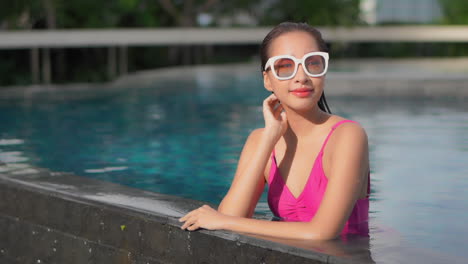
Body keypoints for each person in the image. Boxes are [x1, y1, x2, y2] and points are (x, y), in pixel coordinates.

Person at [179, 22, 370, 240]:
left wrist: (225, 221)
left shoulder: (348, 136)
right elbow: (230, 216)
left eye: (312, 63)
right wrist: (269, 139)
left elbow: (322, 232)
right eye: (285, 66)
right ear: (267, 79)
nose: (301, 77)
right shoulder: (259, 140)